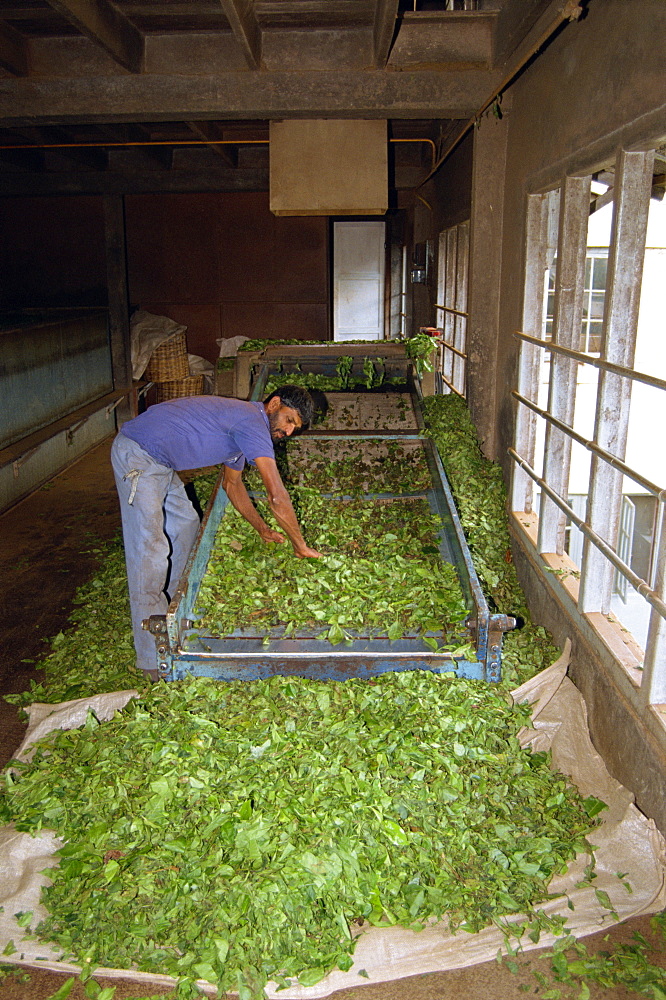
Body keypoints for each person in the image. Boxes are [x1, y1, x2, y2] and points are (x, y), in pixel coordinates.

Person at [111, 385, 321, 680]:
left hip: (161, 462)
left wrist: (261, 529)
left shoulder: (241, 431)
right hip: (139, 456)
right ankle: (152, 659)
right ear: (274, 404)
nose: (287, 431)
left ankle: (176, 612)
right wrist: (299, 545)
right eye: (289, 420)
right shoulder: (251, 421)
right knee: (150, 552)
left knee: (186, 526)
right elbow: (277, 495)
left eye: (294, 428)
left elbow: (232, 485)